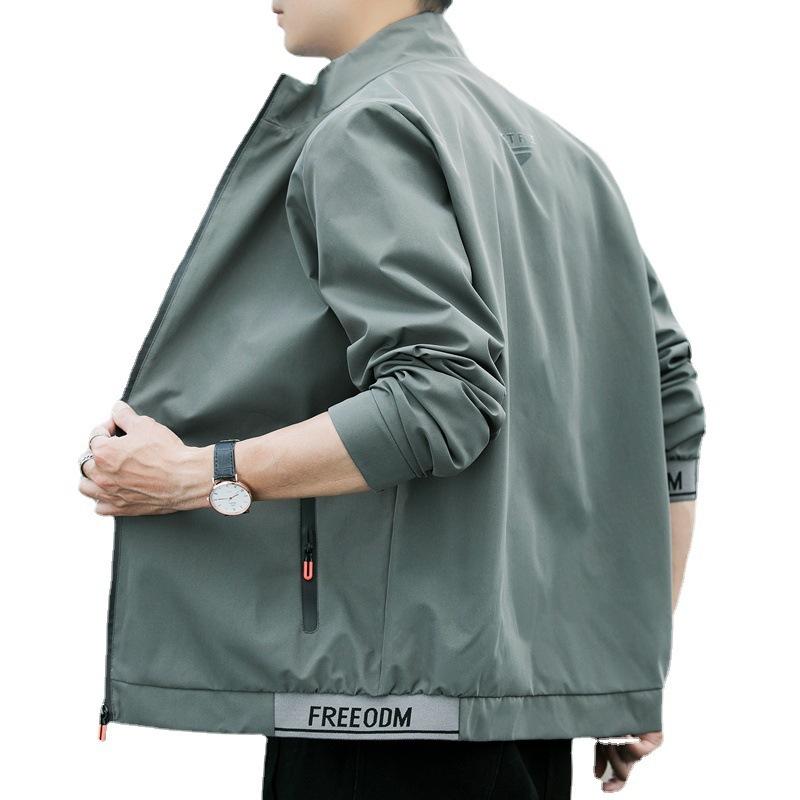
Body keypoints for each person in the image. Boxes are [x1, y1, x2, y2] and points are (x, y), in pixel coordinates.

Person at [78, 1, 705, 797]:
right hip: (523, 716)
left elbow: (442, 398)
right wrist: (626, 665)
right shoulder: (569, 160)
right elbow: (670, 410)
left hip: (383, 714)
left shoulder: (367, 125)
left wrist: (196, 474)